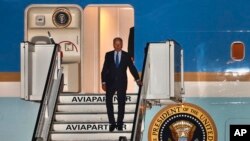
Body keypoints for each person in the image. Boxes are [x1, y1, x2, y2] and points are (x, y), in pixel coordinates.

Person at [101, 37, 142, 132]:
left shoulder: (126, 55)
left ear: (122, 45)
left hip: (122, 83)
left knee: (121, 103)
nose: (118, 46)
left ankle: (119, 123)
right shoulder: (108, 55)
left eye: (119, 44)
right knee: (108, 102)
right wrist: (103, 82)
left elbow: (132, 68)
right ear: (113, 45)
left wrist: (137, 79)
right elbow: (104, 69)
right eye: (116, 44)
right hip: (110, 82)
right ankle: (112, 123)